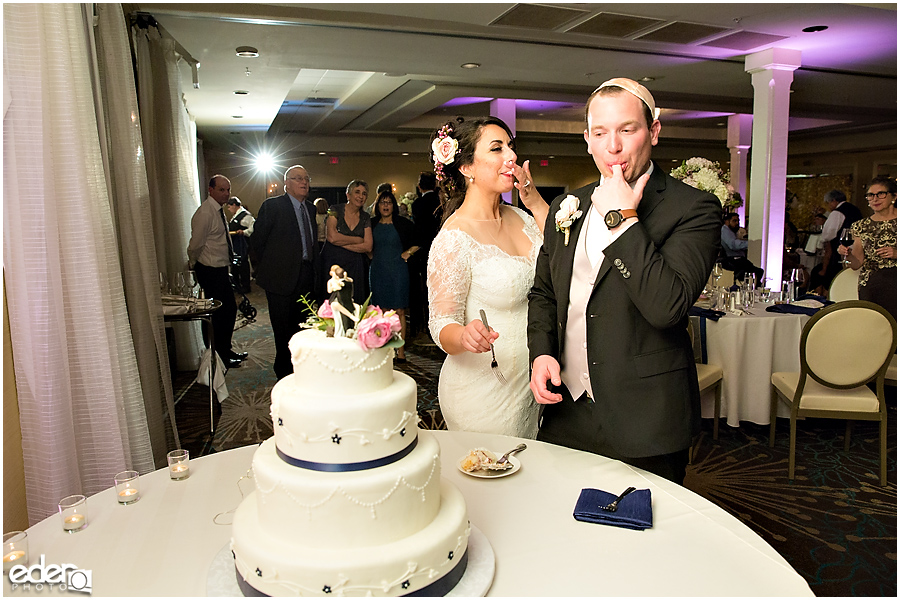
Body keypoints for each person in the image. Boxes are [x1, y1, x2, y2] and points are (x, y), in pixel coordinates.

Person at [528, 78, 721, 485]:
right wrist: (542, 352)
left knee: (645, 538)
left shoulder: (693, 208)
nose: (612, 147)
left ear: (653, 131)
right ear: (587, 139)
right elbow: (544, 292)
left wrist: (621, 221)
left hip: (646, 417)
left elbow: (667, 307)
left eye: (626, 130)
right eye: (600, 133)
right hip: (568, 410)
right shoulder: (568, 205)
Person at [427, 116, 548, 439]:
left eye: (511, 147)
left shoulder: (524, 218)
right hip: (483, 391)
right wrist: (464, 335)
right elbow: (441, 324)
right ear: (466, 167)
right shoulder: (454, 238)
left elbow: (566, 255)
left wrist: (534, 199)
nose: (511, 157)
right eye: (497, 149)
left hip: (532, 383)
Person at [251, 165, 320, 380]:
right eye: (298, 178)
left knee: (305, 330)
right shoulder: (272, 206)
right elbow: (256, 243)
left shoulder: (310, 209)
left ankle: (302, 372)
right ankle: (284, 376)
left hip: (306, 277)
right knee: (283, 332)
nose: (304, 182)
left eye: (306, 178)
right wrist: (265, 271)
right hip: (279, 280)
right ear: (286, 183)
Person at [187, 175, 244, 369]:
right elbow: (195, 244)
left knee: (228, 311)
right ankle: (219, 356)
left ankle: (225, 351)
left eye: (228, 190)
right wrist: (194, 263)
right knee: (219, 314)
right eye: (221, 190)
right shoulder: (205, 213)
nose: (226, 194)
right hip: (209, 269)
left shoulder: (217, 211)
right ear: (210, 190)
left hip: (220, 268)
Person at [369, 190, 419, 362]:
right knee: (380, 311)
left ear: (394, 205)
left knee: (399, 311)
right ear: (377, 205)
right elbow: (365, 244)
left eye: (388, 202)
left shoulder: (403, 223)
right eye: (382, 202)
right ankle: (384, 349)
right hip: (378, 271)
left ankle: (400, 351)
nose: (385, 205)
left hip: (398, 271)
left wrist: (408, 252)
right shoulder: (371, 223)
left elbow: (420, 240)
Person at [838, 177, 897, 319]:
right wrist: (848, 255)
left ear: (894, 196)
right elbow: (856, 264)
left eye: (881, 194)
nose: (875, 199)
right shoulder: (860, 226)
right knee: (875, 328)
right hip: (871, 285)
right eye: (871, 195)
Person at [320, 180, 373, 305]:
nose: (361, 196)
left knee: (356, 302)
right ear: (348, 195)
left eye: (364, 194)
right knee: (333, 302)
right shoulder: (333, 209)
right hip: (333, 263)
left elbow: (368, 246)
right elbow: (332, 237)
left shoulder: (365, 217)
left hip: (356, 266)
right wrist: (358, 240)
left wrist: (341, 241)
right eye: (357, 192)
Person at [409, 172, 442, 339]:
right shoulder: (440, 202)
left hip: (422, 251)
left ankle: (421, 327)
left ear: (420, 186)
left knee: (421, 290)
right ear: (435, 186)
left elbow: (418, 230)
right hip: (439, 249)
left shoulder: (417, 204)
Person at [810, 189, 863, 293]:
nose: (829, 205)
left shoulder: (838, 212)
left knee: (831, 277)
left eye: (829, 202)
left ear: (834, 200)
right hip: (857, 250)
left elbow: (828, 234)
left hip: (841, 252)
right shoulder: (855, 209)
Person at [720, 212, 764, 283]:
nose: (737, 223)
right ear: (727, 221)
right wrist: (751, 244)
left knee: (758, 272)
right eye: (734, 221)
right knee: (757, 272)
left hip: (736, 259)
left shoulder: (731, 231)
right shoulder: (725, 230)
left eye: (738, 221)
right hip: (732, 260)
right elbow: (733, 245)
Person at [225, 196, 255, 294]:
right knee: (236, 265)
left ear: (234, 205)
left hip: (242, 244)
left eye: (229, 207)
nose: (229, 210)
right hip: (235, 244)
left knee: (243, 264)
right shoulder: (236, 216)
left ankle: (245, 286)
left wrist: (244, 232)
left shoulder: (245, 215)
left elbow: (253, 227)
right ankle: (237, 285)